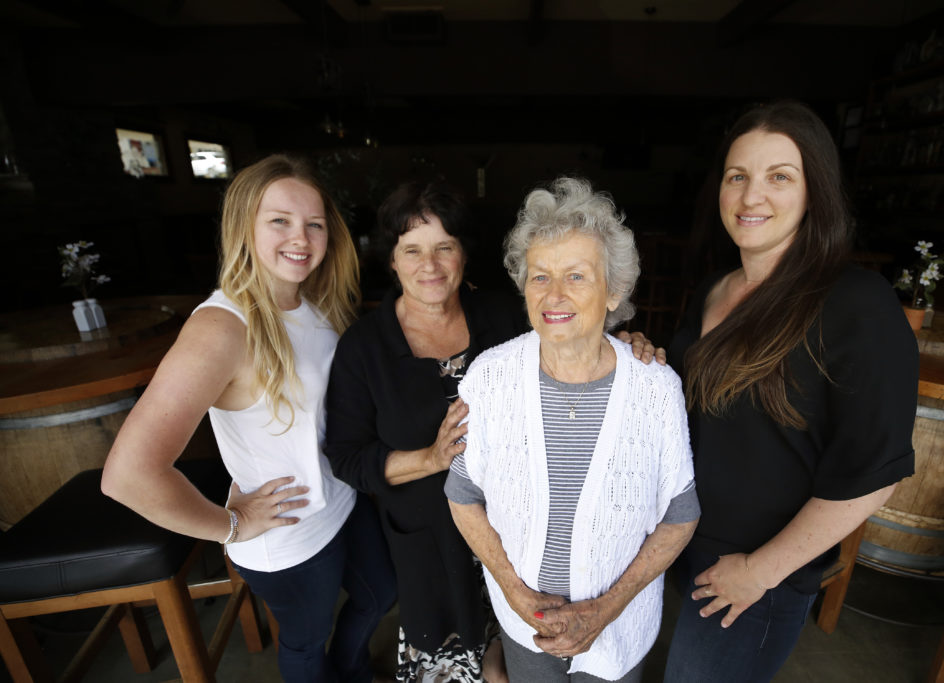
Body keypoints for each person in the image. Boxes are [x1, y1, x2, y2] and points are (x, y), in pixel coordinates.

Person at [323, 179, 664, 682]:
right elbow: (348, 458)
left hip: (522, 541)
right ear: (391, 261)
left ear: (463, 255)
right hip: (433, 544)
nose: (430, 265)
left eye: (445, 247)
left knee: (518, 656)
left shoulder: (503, 316)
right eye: (412, 250)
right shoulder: (363, 348)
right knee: (454, 658)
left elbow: (570, 336)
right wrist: (430, 459)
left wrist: (622, 338)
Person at [102, 154, 396, 683]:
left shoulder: (315, 301)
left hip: (343, 502)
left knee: (382, 595)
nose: (300, 237)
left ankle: (353, 671)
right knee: (307, 645)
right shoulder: (222, 327)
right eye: (279, 221)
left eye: (314, 224)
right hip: (287, 535)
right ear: (244, 227)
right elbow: (128, 475)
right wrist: (230, 526)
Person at [663, 101, 918, 682]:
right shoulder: (713, 289)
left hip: (759, 574)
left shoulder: (856, 304)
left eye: (780, 177)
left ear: (815, 191)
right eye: (738, 177)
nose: (753, 197)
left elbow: (877, 470)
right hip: (689, 546)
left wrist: (759, 571)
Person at [445, 176, 700, 683]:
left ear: (615, 291)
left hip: (620, 625)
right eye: (540, 277)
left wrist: (603, 610)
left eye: (577, 276)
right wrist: (516, 595)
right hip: (524, 624)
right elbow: (463, 495)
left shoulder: (656, 387)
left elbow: (679, 516)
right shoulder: (490, 377)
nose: (554, 295)